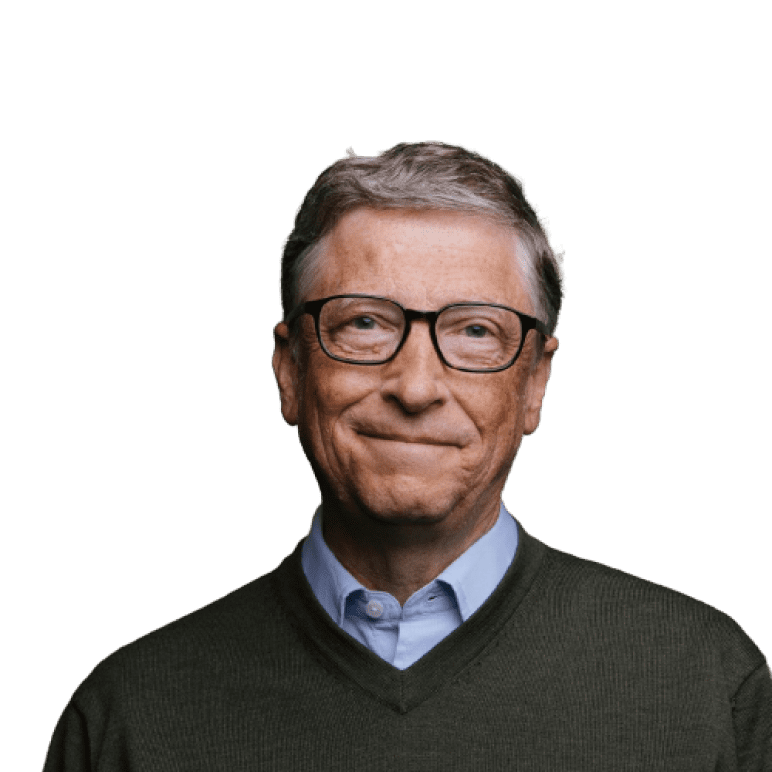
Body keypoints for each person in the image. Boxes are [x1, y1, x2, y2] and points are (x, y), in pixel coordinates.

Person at [43, 141, 771, 770]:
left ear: (535, 385)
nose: (417, 387)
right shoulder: (129, 717)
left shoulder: (707, 686)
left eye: (475, 332)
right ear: (290, 371)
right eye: (364, 322)